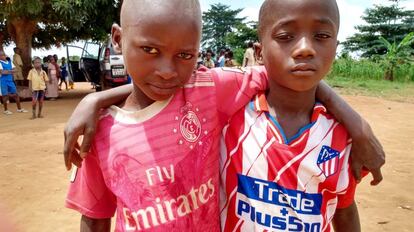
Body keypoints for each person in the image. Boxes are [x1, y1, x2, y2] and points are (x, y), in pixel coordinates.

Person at [63, 0, 384, 231]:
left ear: (198, 52)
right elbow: (94, 218)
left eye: (185, 55)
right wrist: (95, 101)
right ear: (118, 39)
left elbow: (288, 75)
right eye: (150, 50)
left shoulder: (208, 93)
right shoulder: (100, 131)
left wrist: (358, 126)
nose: (166, 70)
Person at [220, 0, 369, 231]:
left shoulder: (341, 135)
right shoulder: (231, 121)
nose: (305, 48)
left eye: (321, 35)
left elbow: (344, 209)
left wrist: (359, 129)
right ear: (260, 52)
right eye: (285, 36)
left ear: (336, 48)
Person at [0, 50, 27, 115]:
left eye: (4, 54)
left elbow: (16, 70)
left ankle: (19, 109)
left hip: (10, 81)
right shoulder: (0, 63)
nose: (3, 56)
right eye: (1, 55)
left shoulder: (9, 62)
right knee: (5, 96)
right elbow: (2, 72)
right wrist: (11, 71)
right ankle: (6, 110)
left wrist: (7, 71)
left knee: (16, 95)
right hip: (3, 81)